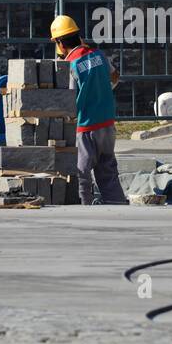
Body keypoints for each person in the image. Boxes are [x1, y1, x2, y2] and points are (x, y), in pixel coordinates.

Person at [51, 14, 128, 205]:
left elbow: (68, 99)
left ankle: (85, 209)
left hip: (85, 126)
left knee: (82, 173)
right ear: (78, 35)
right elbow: (114, 77)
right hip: (107, 124)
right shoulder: (99, 55)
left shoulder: (71, 65)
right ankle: (117, 204)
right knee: (107, 169)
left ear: (60, 43)